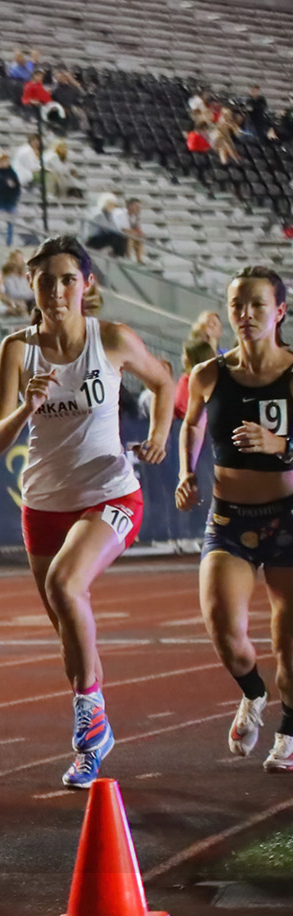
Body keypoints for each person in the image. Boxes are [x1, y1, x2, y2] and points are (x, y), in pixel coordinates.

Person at [0, 236, 174, 789]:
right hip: (43, 503)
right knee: (67, 627)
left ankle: (87, 724)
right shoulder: (17, 350)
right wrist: (25, 406)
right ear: (32, 286)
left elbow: (164, 381)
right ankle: (95, 737)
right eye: (46, 280)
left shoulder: (110, 339)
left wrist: (160, 434)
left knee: (66, 586)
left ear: (86, 285)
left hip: (111, 493)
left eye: (68, 279)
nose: (58, 290)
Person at [176, 267, 293, 772]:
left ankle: (289, 732)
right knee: (224, 628)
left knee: (288, 644)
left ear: (279, 312)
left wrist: (282, 445)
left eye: (256, 305)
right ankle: (253, 694)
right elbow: (191, 423)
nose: (244, 314)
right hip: (229, 520)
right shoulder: (209, 373)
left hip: (288, 519)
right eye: (236, 304)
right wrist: (187, 471)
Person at [0, 151, 23, 245]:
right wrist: (5, 186)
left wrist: (13, 193)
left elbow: (17, 187)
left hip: (10, 202)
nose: (3, 163)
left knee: (11, 225)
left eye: (5, 160)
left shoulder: (12, 173)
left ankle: (8, 243)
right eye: (1, 161)